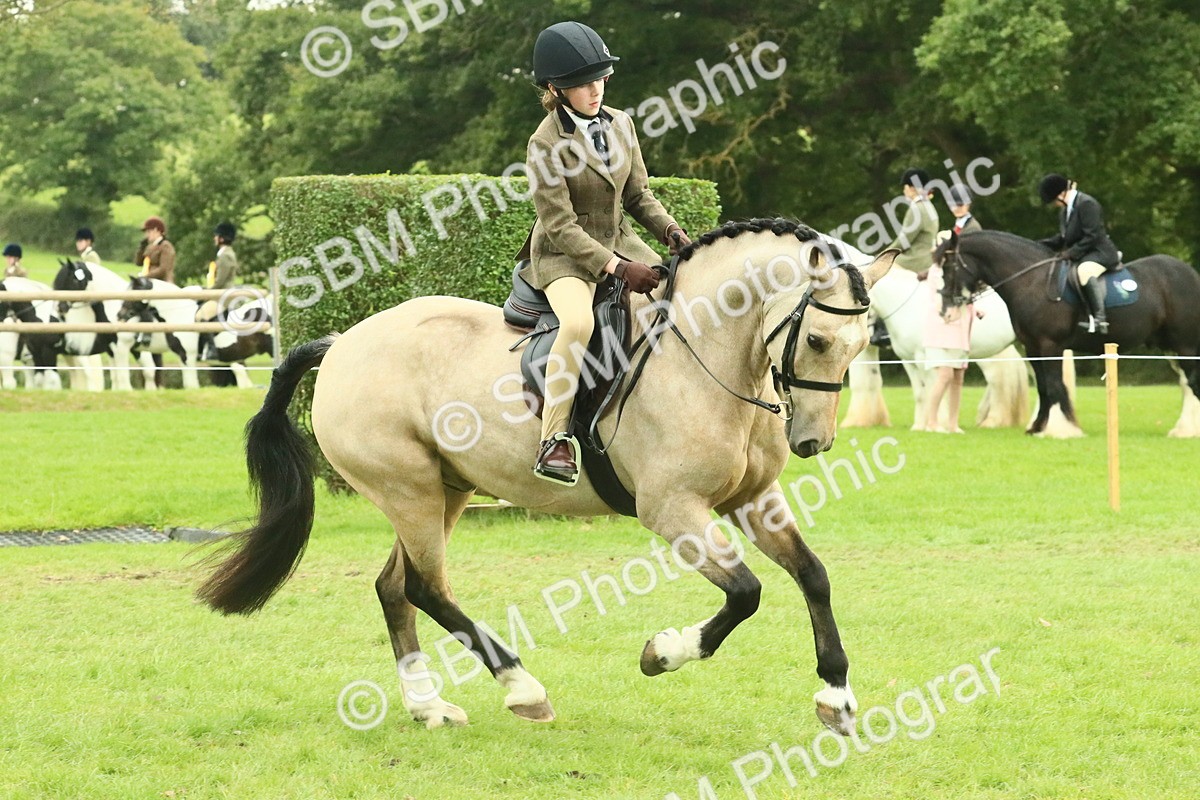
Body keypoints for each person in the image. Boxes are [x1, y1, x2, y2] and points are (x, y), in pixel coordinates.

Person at [518, 20, 691, 485]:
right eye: (582, 84)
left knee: (685, 296)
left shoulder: (621, 123)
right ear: (556, 89)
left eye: (600, 79)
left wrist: (671, 230)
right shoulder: (544, 144)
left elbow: (638, 195)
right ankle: (554, 440)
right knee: (578, 324)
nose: (595, 90)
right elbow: (560, 225)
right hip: (565, 257)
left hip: (623, 242)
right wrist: (616, 267)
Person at [1037, 173, 1120, 334]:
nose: (1055, 205)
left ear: (1061, 194)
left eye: (1054, 201)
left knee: (1084, 271)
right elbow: (1063, 237)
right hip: (1085, 253)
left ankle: (1100, 319)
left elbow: (1092, 235)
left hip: (1100, 252)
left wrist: (1071, 253)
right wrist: (1038, 245)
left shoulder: (1087, 204)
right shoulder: (1065, 211)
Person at [885, 168, 940, 278]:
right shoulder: (929, 206)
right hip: (928, 258)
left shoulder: (916, 209)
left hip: (915, 260)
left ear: (912, 188)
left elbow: (904, 241)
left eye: (904, 187)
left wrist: (884, 254)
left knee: (880, 270)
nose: (903, 191)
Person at [198, 222, 239, 321]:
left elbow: (220, 281)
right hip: (222, 295)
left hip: (223, 298)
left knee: (199, 316)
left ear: (222, 238)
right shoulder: (225, 254)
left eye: (216, 236)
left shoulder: (225, 256)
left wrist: (206, 292)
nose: (214, 238)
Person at [134, 216, 176, 285]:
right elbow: (138, 263)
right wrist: (141, 248)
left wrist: (145, 276)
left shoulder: (166, 246)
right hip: (149, 282)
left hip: (163, 283)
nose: (146, 235)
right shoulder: (149, 247)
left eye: (148, 232)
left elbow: (163, 269)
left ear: (156, 230)